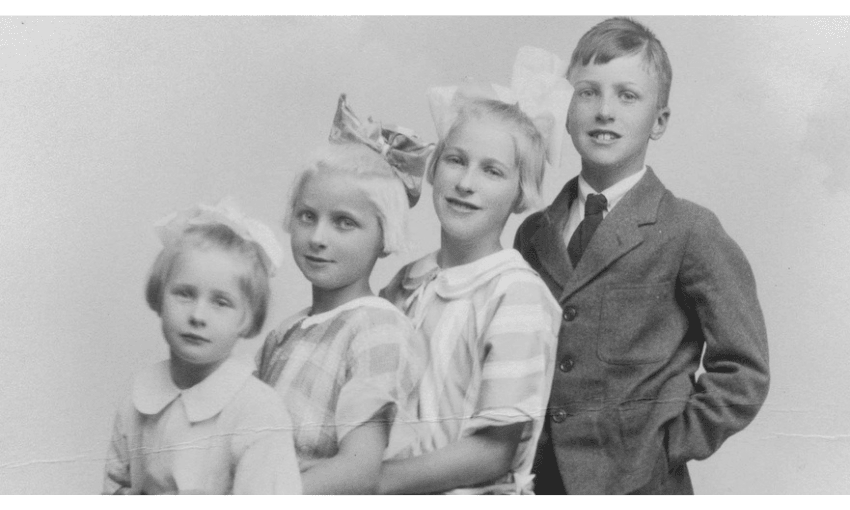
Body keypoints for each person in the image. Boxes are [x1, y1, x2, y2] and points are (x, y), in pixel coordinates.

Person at [513, 17, 770, 494]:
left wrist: (663, 449)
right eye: (587, 92)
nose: (604, 111)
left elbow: (744, 371)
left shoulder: (688, 229)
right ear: (564, 108)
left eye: (627, 96)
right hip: (535, 484)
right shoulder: (533, 233)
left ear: (660, 121)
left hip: (641, 487)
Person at [378, 47, 568, 494]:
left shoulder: (516, 294)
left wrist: (369, 484)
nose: (466, 183)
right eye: (456, 160)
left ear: (521, 193)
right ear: (434, 167)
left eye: (492, 171)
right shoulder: (406, 282)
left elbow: (492, 452)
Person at [255, 95, 430, 494]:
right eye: (307, 216)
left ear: (384, 236)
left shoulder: (377, 328)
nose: (318, 237)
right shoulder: (285, 333)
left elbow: (358, 471)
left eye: (344, 223)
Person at [103, 198, 301, 495]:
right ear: (159, 296)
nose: (197, 316)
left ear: (247, 318)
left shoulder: (258, 412)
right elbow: (114, 487)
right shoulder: (138, 394)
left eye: (221, 302)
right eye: (184, 294)